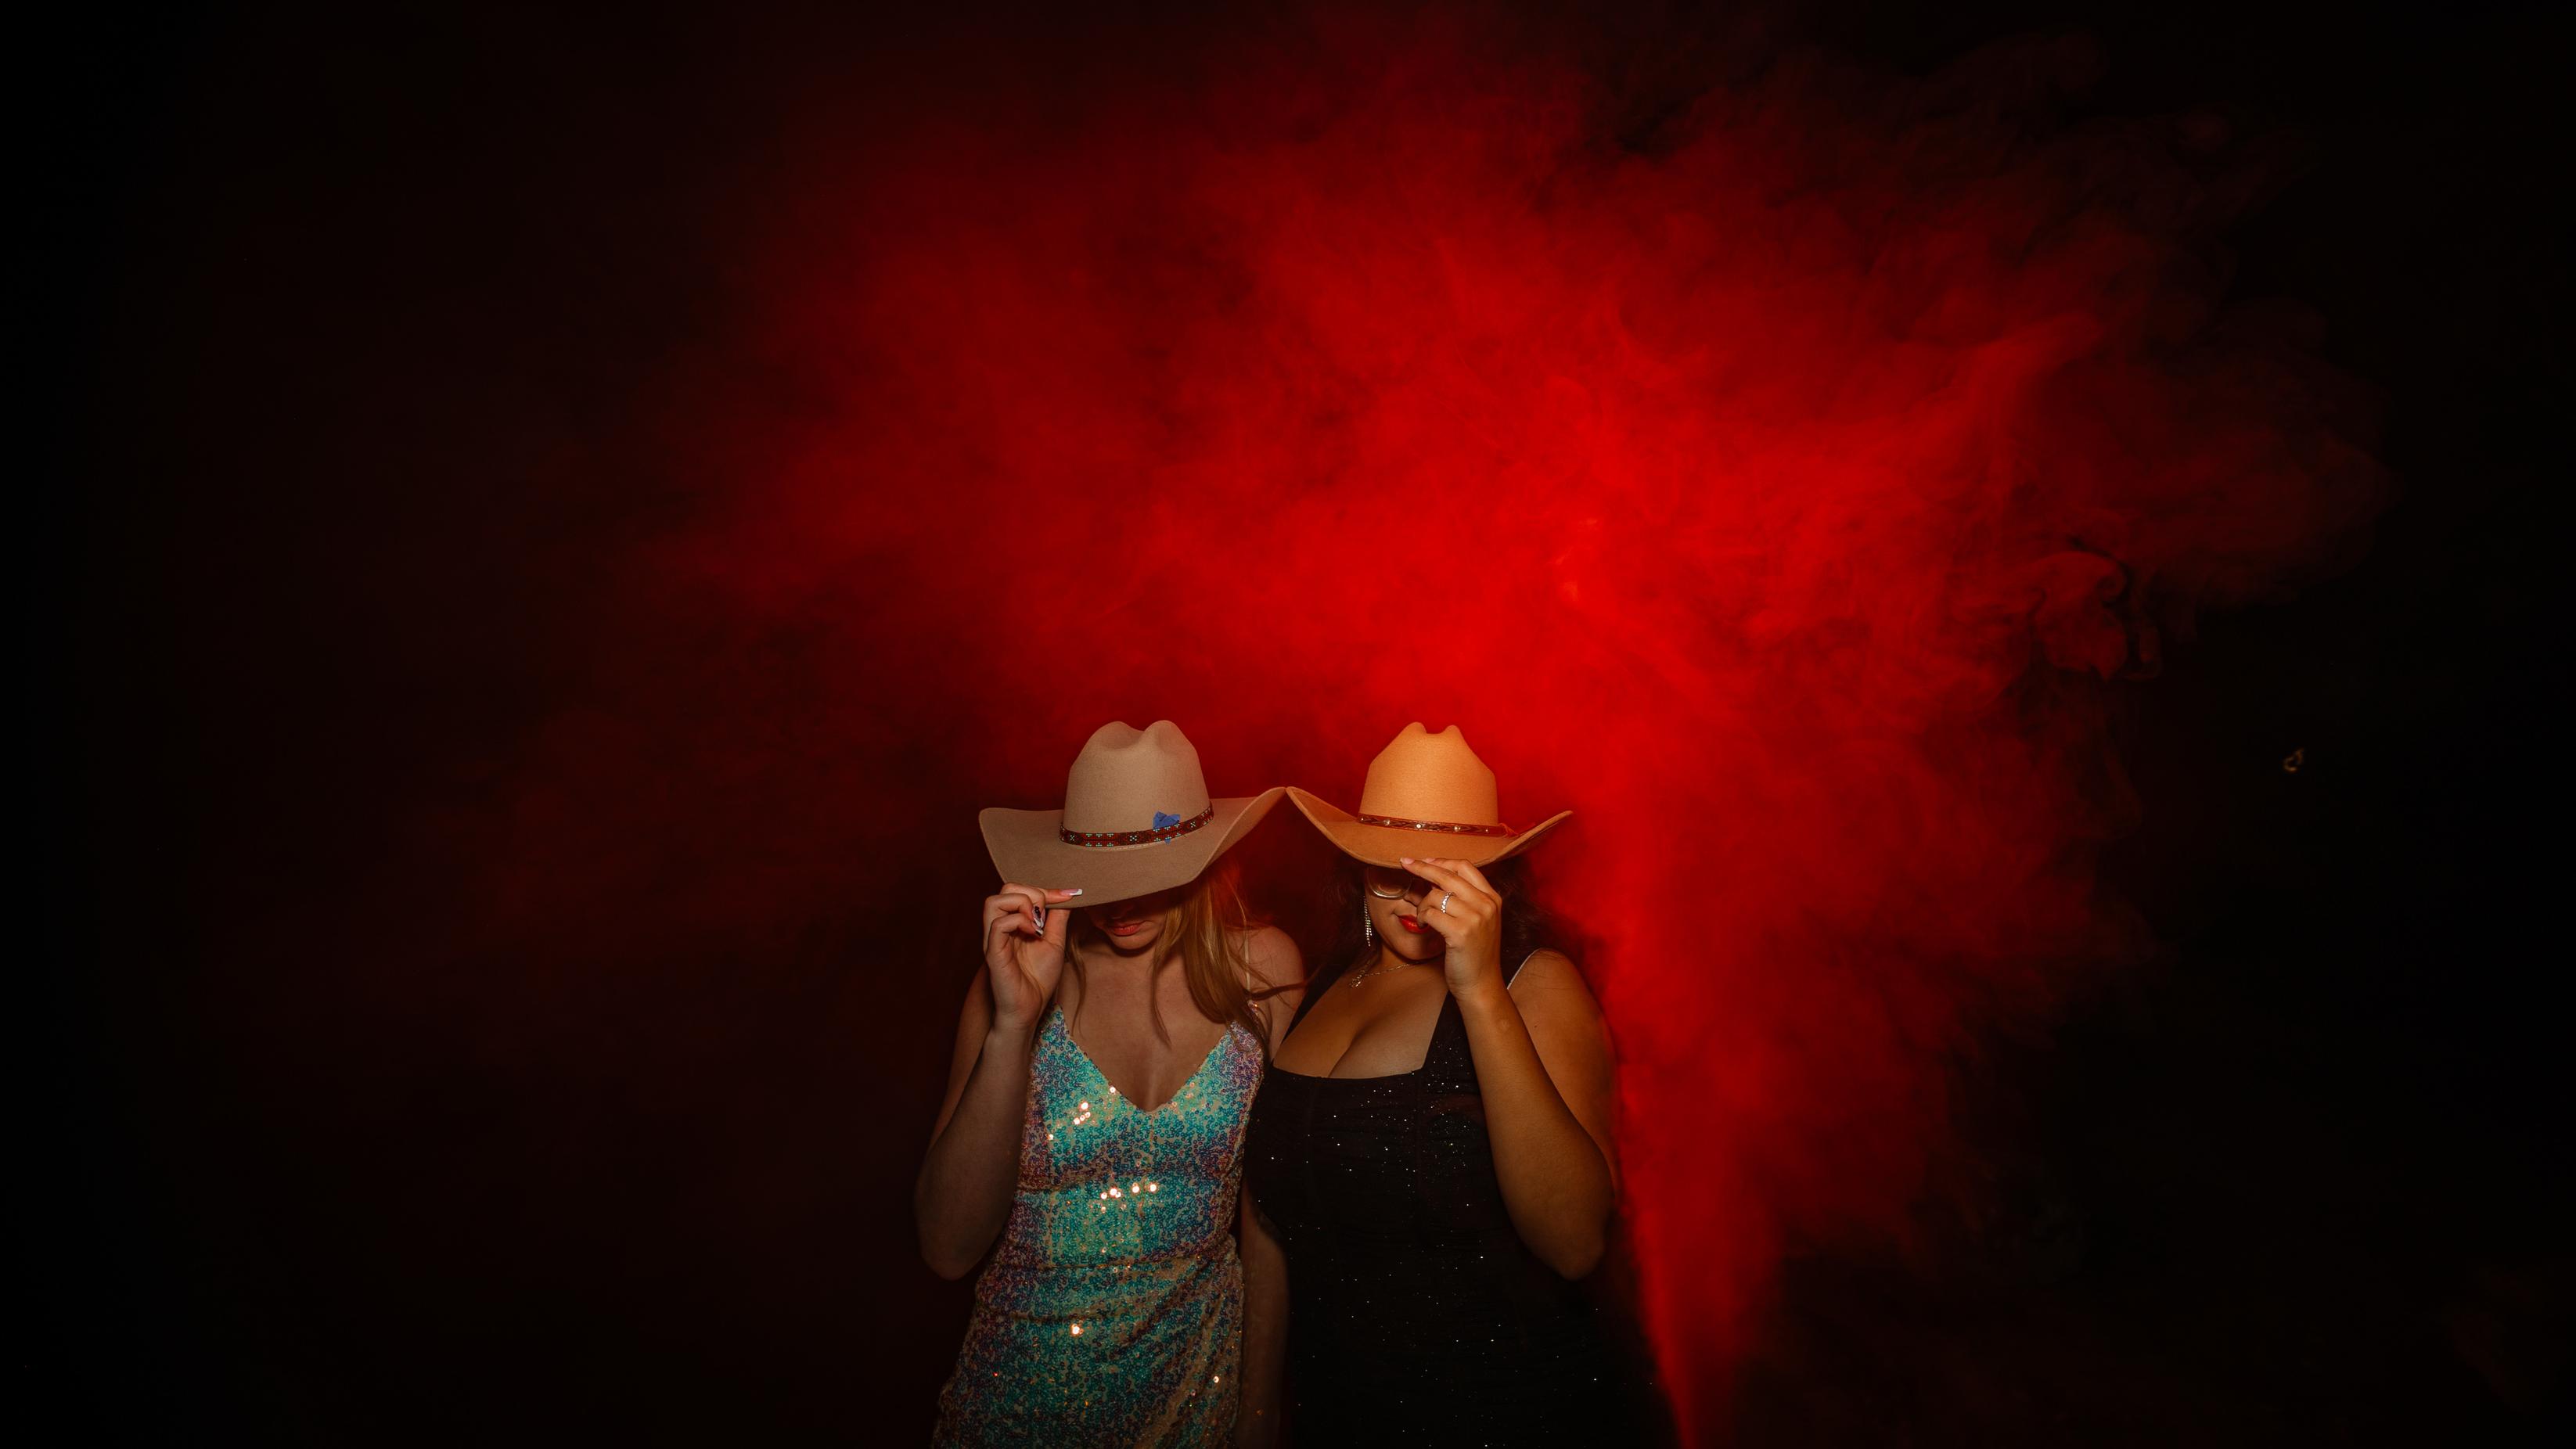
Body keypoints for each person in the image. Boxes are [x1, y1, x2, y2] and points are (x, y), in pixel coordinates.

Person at [1241, 723, 1653, 1444]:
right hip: (1334, 1415)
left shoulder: (1537, 985)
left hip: (1500, 1413)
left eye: (1443, 867)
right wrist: (1253, 1419)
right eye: (1388, 864)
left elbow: (1575, 1242)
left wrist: (1482, 992)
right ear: (1353, 865)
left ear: (1490, 876)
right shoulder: (1321, 988)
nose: (1412, 892)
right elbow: (1273, 1227)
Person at [919, 721, 1304, 1446]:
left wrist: (1258, 1411)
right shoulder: (1020, 984)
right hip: (1019, 1407)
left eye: (1147, 876)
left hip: (1199, 1399)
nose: (1122, 903)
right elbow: (946, 1246)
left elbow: (1269, 1226)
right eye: (1101, 878)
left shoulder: (1267, 975)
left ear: (1200, 859)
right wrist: (1013, 1025)